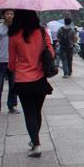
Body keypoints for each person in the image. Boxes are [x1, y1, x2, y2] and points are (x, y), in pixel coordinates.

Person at [7, 10, 54, 157]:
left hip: (23, 80)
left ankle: (36, 144)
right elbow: (51, 53)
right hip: (40, 80)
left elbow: (11, 63)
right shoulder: (42, 32)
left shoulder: (14, 35)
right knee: (37, 111)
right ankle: (34, 141)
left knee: (29, 113)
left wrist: (16, 67)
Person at [0, 10, 19, 115]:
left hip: (13, 61)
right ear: (3, 16)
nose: (10, 16)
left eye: (11, 14)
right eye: (7, 14)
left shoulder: (16, 29)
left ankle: (12, 106)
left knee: (13, 85)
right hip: (1, 60)